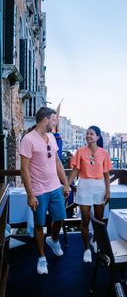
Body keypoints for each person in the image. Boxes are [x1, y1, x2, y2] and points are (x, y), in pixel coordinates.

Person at [20, 107, 70, 275]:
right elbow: (24, 170)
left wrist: (65, 183)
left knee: (60, 218)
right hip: (39, 190)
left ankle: (54, 240)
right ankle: (42, 258)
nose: (54, 122)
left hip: (55, 187)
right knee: (39, 224)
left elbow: (57, 162)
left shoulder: (51, 137)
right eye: (53, 119)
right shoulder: (28, 140)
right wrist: (30, 194)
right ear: (45, 119)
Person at [68, 125, 112, 263]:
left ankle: (95, 241)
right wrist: (67, 185)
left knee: (98, 220)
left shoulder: (104, 153)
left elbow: (106, 174)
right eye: (87, 133)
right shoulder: (80, 151)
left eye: (91, 134)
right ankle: (86, 249)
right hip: (84, 186)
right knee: (85, 220)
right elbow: (75, 170)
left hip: (99, 186)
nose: (88, 136)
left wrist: (108, 191)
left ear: (98, 137)